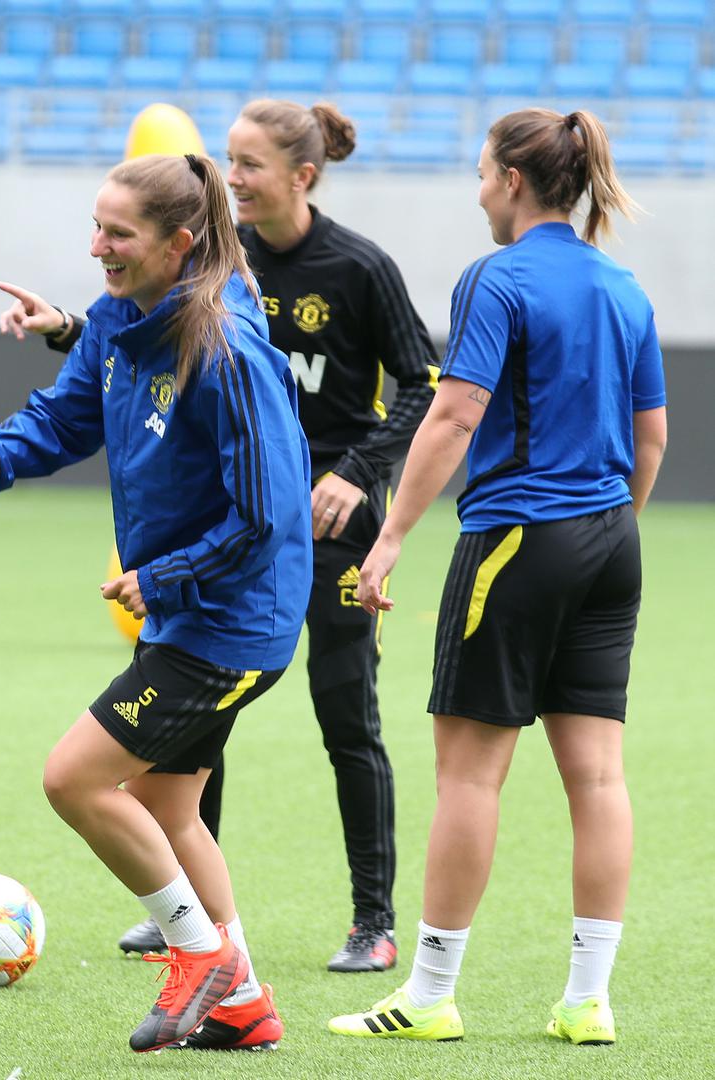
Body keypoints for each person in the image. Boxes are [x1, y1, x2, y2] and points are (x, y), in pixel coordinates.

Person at [1, 99, 438, 972]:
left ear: (301, 176)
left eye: (249, 164)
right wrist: (71, 333)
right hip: (229, 530)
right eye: (226, 161)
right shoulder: (222, 270)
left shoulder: (355, 267)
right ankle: (195, 925)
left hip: (318, 524)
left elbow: (424, 384)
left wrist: (355, 472)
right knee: (192, 746)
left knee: (345, 716)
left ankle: (370, 920)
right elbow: (148, 355)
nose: (232, 177)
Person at [0, 153, 312, 1052]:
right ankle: (243, 1001)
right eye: (95, 227)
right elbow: (63, 418)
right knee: (167, 808)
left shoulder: (224, 350)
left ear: (179, 244)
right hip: (193, 614)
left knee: (75, 777)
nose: (97, 246)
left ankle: (198, 954)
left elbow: (268, 516)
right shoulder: (116, 318)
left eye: (118, 233)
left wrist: (161, 576)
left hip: (232, 623)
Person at [328, 108, 665, 1045]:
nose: (477, 189)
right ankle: (587, 1001)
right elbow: (652, 440)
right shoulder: (623, 286)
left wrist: (388, 536)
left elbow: (451, 417)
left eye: (481, 172)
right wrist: (604, 538)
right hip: (611, 541)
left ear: (514, 179)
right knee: (598, 778)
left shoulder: (498, 276)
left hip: (519, 539)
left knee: (470, 777)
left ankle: (429, 996)